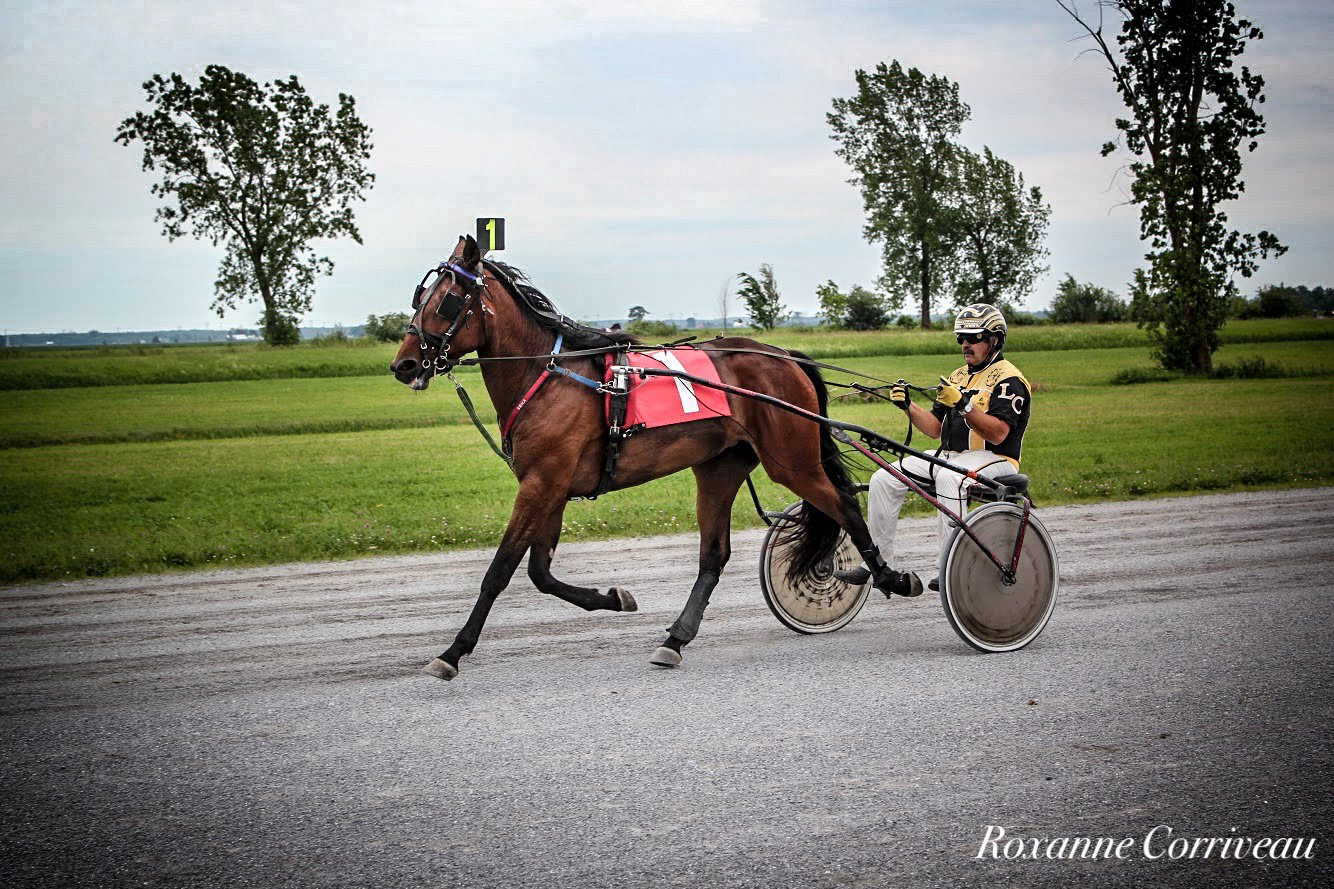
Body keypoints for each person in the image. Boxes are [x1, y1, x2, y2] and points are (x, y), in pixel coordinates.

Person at [836, 303, 1032, 597]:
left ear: (995, 340)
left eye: (974, 337)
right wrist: (908, 405)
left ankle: (951, 565)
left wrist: (964, 405)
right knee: (885, 477)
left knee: (949, 478)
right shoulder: (957, 376)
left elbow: (998, 433)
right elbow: (933, 429)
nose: (965, 344)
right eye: (961, 338)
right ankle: (878, 563)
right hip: (953, 458)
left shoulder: (1009, 379)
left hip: (996, 459)